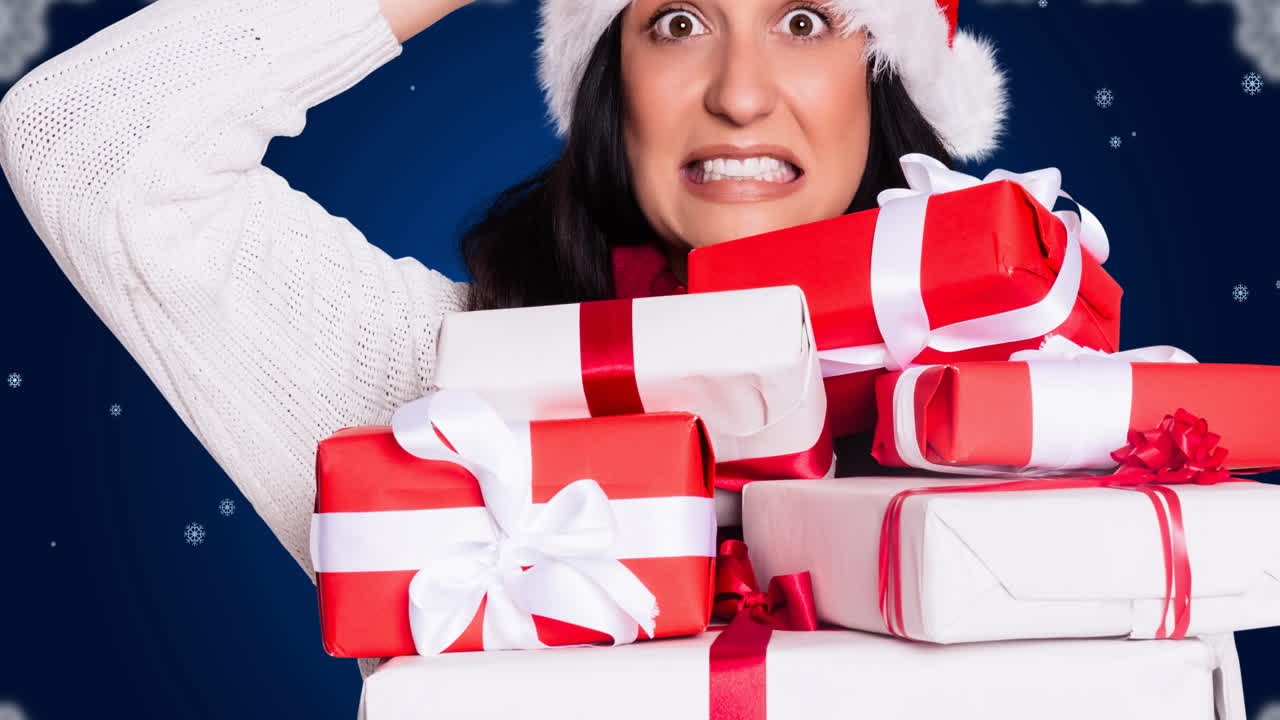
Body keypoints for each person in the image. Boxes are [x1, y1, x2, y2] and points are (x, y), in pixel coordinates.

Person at [0, 0, 1008, 682]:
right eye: (675, 21)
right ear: (611, 81)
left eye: (804, 20)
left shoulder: (1025, 401)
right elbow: (86, 142)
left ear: (884, 74)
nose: (739, 95)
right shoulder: (447, 396)